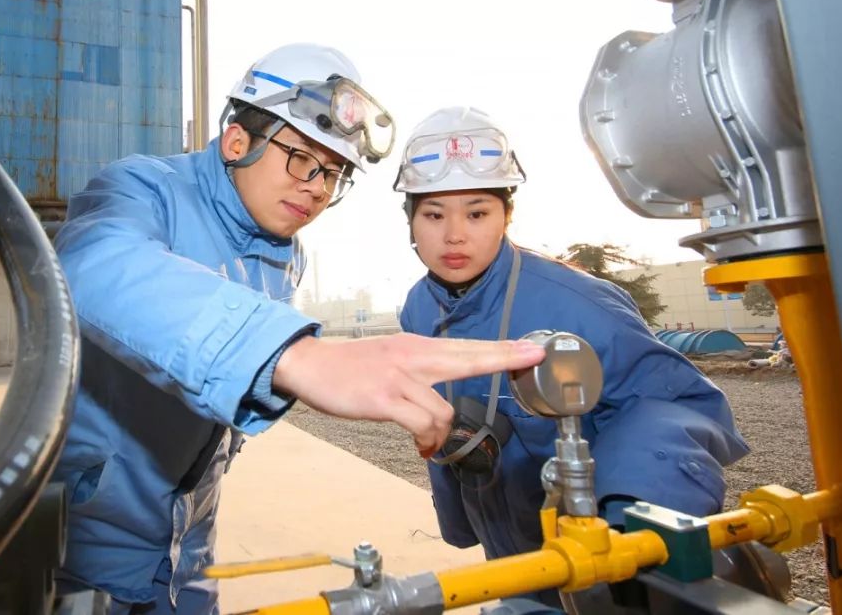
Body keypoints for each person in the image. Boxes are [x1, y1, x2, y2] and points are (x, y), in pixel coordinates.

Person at [51, 49, 546, 614]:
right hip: (88, 541)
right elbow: (93, 264)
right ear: (239, 141)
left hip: (189, 540)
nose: (317, 187)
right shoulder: (144, 189)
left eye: (334, 173)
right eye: (302, 159)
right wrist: (298, 356)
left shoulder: (287, 256)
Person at [393, 106, 749, 608]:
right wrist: (458, 515)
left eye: (477, 213)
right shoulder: (418, 308)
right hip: (510, 553)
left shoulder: (579, 304)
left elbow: (680, 405)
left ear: (506, 216)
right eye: (433, 214)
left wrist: (629, 522)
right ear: (410, 220)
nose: (454, 235)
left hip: (598, 561)